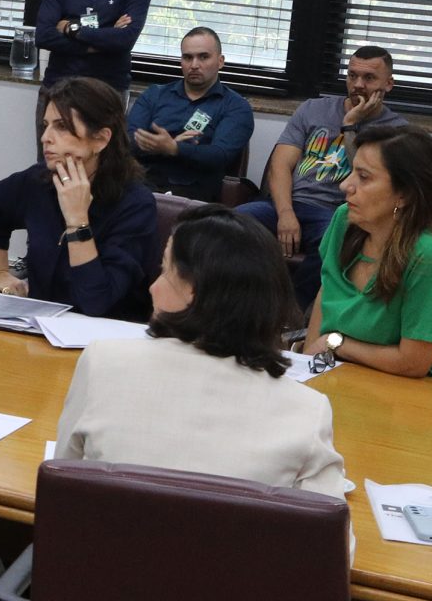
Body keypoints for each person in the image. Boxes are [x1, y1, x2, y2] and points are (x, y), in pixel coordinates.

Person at [55, 206, 345, 499]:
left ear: (194, 289)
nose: (153, 287)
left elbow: (61, 487)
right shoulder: (307, 411)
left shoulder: (102, 364)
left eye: (165, 270)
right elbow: (331, 540)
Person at [238, 45, 409, 307]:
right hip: (288, 204)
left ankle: (290, 315)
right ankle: (239, 303)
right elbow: (280, 165)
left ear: (389, 84)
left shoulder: (397, 132)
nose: (358, 85)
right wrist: (285, 214)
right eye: (352, 76)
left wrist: (350, 126)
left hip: (339, 213)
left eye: (369, 78)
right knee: (230, 223)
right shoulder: (312, 109)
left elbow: (366, 177)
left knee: (334, 240)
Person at [0, 77, 159, 321]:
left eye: (61, 126)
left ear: (101, 139)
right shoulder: (39, 180)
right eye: (46, 125)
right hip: (39, 326)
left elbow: (96, 302)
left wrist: (77, 222)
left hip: (105, 337)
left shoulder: (135, 205)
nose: (45, 137)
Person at [307, 124, 432, 382]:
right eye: (351, 172)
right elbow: (326, 292)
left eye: (364, 177)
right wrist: (306, 368)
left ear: (405, 194)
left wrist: (336, 343)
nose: (345, 185)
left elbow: (414, 363)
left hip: (416, 394)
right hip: (345, 376)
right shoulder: (344, 221)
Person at [125, 26, 256, 200]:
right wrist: (164, 147)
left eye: (203, 57)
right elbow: (126, 143)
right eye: (187, 57)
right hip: (140, 181)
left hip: (194, 193)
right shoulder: (154, 95)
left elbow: (220, 156)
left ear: (220, 61)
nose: (194, 65)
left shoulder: (236, 106)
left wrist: (175, 149)